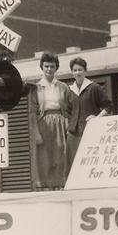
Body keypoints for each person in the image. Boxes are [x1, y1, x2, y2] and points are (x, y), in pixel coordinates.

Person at [29, 51, 73, 189]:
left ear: (56, 68)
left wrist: (68, 127)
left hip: (60, 123)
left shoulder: (63, 87)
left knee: (61, 156)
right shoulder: (35, 88)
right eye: (46, 66)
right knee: (44, 158)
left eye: (52, 66)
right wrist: (36, 133)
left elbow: (69, 109)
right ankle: (45, 190)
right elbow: (32, 112)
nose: (49, 69)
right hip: (43, 123)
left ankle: (60, 187)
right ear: (42, 67)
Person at [66, 57, 113, 170]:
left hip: (90, 132)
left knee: (90, 163)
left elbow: (109, 106)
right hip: (73, 134)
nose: (78, 73)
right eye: (75, 70)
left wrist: (97, 118)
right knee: (73, 164)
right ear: (72, 72)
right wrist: (68, 128)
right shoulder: (69, 90)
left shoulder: (94, 88)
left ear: (85, 71)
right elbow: (67, 111)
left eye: (80, 69)